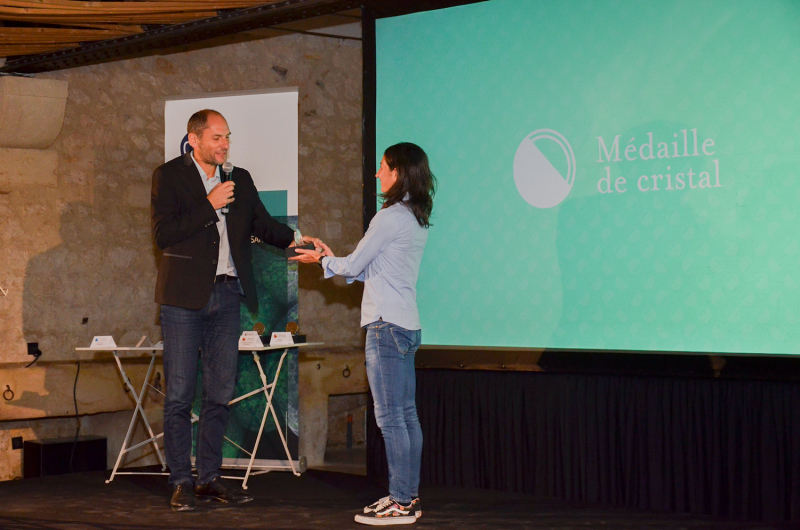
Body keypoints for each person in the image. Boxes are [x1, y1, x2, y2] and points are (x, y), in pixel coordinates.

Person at [151, 109, 318, 511]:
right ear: (193, 139)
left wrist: (296, 238)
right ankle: (180, 481)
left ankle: (209, 478)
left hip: (227, 297)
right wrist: (209, 204)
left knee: (220, 394)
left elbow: (262, 223)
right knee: (178, 395)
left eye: (227, 137)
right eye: (217, 138)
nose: (224, 145)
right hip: (183, 300)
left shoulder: (238, 179)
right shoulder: (169, 175)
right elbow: (163, 234)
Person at [291, 142, 436, 526]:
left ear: (399, 172)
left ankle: (401, 502)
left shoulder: (388, 216)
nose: (377, 173)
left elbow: (354, 264)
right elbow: (366, 269)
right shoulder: (414, 216)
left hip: (385, 327)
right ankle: (407, 497)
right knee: (406, 416)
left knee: (391, 418)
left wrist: (323, 258)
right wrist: (331, 259)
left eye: (383, 167)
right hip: (406, 324)